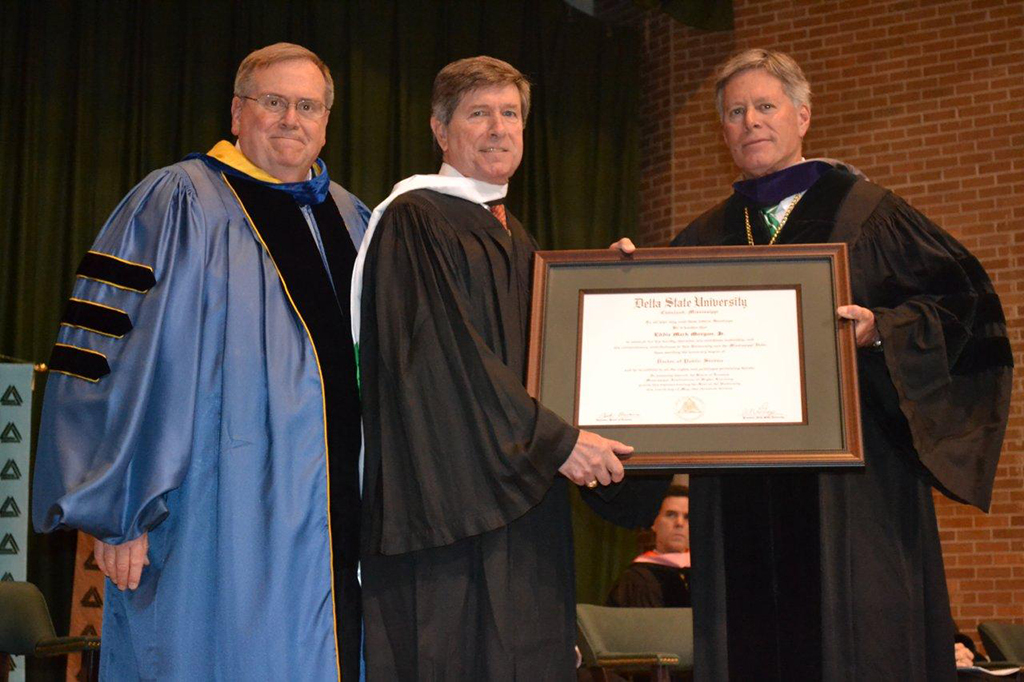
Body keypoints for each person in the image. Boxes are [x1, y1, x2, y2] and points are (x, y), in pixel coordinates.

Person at [616, 48, 1011, 681]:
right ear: (722, 131)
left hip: (854, 489)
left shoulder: (869, 214)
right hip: (737, 490)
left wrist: (885, 331)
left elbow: (965, 310)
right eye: (736, 112)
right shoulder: (701, 239)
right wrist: (625, 289)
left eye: (766, 106)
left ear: (803, 115)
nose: (751, 122)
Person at [31, 43, 369, 680]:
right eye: (273, 102)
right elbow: (102, 351)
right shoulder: (177, 201)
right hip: (211, 516)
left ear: (327, 120)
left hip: (335, 524)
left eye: (307, 105)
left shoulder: (352, 217)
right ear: (238, 112)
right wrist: (114, 510)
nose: (290, 119)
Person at [352, 55, 666, 680]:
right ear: (441, 131)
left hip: (518, 520)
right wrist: (556, 442)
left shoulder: (514, 235)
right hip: (449, 528)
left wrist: (602, 297)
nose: (498, 128)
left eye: (510, 114)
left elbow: (541, 355)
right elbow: (448, 364)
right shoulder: (417, 220)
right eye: (478, 114)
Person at [606, 485, 691, 608]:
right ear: (654, 522)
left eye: (687, 517)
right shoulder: (637, 579)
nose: (679, 523)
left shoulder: (703, 576)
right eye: (671, 515)